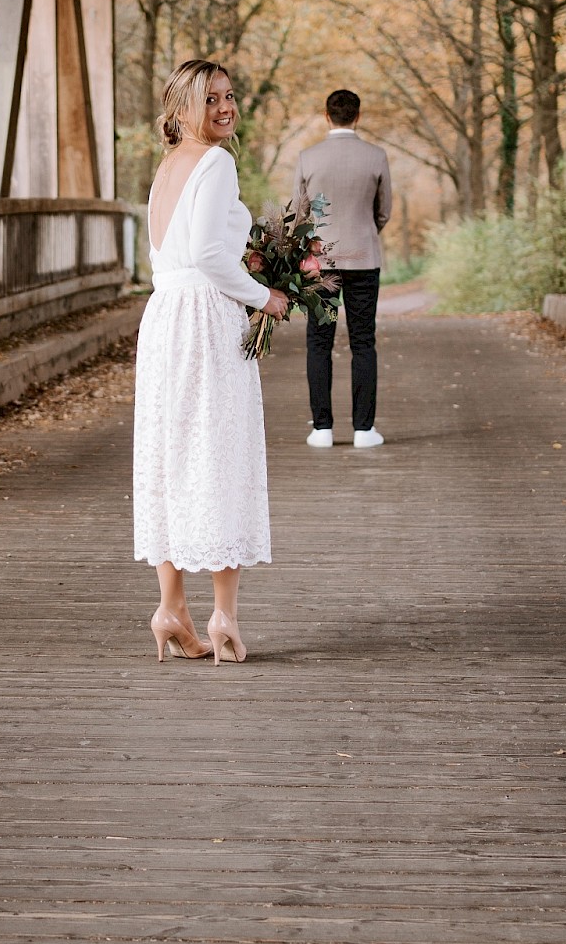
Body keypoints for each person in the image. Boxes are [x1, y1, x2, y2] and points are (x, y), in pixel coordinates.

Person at [133, 60, 288, 665]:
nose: (226, 108)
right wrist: (264, 296)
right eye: (211, 99)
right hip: (204, 315)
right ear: (181, 109)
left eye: (229, 97)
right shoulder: (217, 163)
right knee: (220, 453)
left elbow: (169, 254)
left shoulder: (168, 168)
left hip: (165, 316)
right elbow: (207, 253)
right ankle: (223, 617)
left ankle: (171, 608)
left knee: (171, 455)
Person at [292, 89, 392, 449]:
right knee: (363, 342)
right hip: (364, 259)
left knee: (319, 342)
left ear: (326, 115)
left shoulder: (308, 158)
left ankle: (322, 429)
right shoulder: (376, 157)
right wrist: (364, 235)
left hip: (320, 262)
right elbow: (384, 211)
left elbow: (298, 216)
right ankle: (364, 430)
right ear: (358, 116)